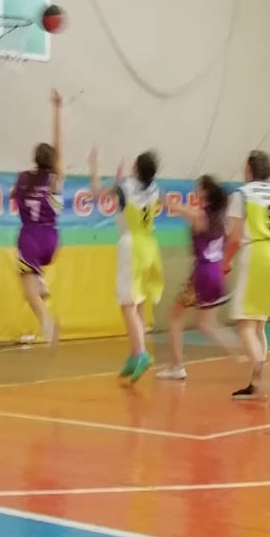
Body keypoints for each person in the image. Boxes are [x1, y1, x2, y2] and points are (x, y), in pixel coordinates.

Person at [225, 150, 270, 400]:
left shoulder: (242, 194)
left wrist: (225, 260)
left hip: (258, 256)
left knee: (245, 324)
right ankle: (256, 386)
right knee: (259, 324)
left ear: (249, 169)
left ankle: (260, 373)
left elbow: (234, 237)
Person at [159, 176, 240, 380]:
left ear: (205, 192)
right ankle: (243, 353)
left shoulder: (199, 216)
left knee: (175, 318)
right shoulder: (223, 220)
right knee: (206, 324)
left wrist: (153, 188)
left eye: (198, 187)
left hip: (202, 274)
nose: (194, 189)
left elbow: (170, 206)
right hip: (217, 272)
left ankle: (177, 367)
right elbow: (232, 240)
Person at [93, 148, 163, 382]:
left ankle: (141, 353)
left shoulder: (125, 187)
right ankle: (135, 353)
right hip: (150, 246)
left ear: (136, 168)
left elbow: (97, 192)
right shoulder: (154, 188)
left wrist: (94, 165)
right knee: (139, 302)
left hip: (131, 246)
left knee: (127, 304)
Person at [12, 89, 63, 345]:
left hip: (30, 237)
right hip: (52, 240)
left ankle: (48, 325)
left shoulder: (23, 178)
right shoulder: (54, 180)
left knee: (29, 293)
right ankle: (40, 280)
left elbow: (14, 196)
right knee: (33, 279)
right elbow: (59, 149)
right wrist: (58, 110)